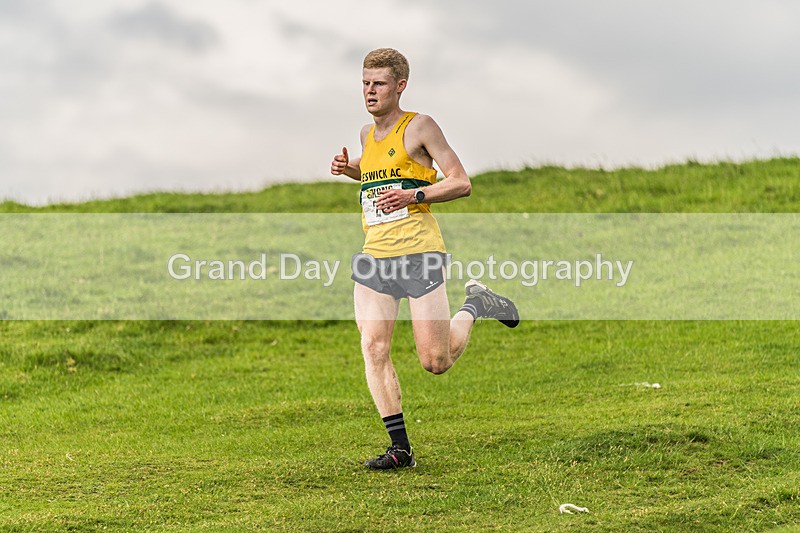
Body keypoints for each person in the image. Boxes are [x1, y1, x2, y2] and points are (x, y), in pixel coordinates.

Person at [330, 48, 519, 470]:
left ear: (400, 86)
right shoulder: (366, 134)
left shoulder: (421, 127)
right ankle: (401, 449)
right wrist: (350, 170)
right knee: (373, 346)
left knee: (435, 361)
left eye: (378, 83)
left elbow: (461, 181)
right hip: (375, 255)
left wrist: (415, 195)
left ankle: (477, 304)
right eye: (364, 83)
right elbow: (380, 173)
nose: (369, 91)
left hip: (419, 252)